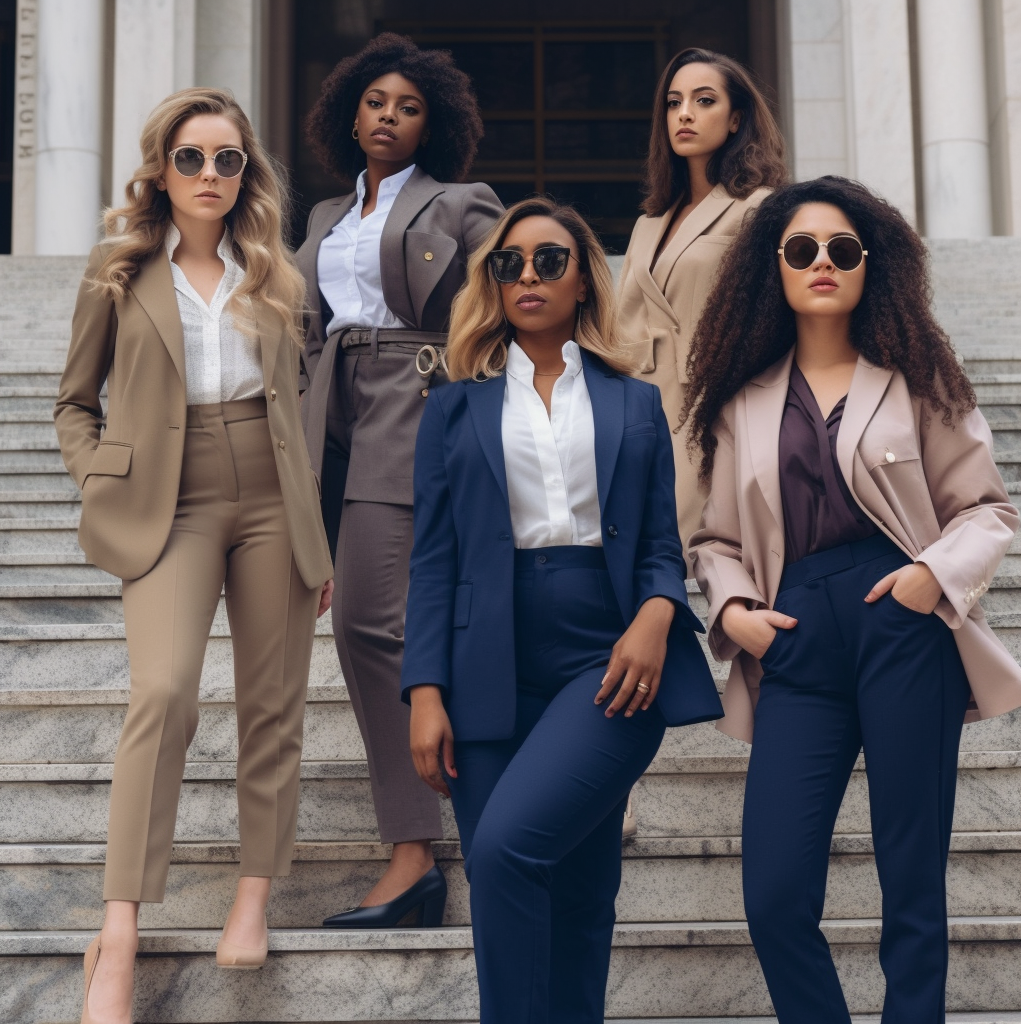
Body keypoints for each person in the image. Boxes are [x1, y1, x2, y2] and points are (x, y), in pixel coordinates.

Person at [684, 176, 1021, 1023]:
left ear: (872, 266)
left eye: (843, 249)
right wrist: (733, 616)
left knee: (912, 880)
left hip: (903, 624)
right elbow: (715, 541)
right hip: (794, 639)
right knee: (774, 892)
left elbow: (987, 509)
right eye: (802, 251)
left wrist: (926, 579)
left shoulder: (916, 379)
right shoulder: (741, 401)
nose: (823, 264)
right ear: (777, 270)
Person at [403, 197, 721, 1024]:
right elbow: (433, 559)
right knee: (564, 884)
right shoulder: (452, 408)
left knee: (514, 855)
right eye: (510, 264)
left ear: (583, 280)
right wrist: (424, 688)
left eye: (550, 261)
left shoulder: (634, 402)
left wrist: (658, 614)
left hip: (606, 654)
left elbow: (659, 539)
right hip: (483, 663)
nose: (529, 277)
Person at [55, 88, 334, 1024]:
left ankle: (253, 891)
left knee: (272, 703)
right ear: (161, 168)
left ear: (246, 172)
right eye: (192, 158)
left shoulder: (278, 274)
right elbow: (73, 400)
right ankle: (120, 929)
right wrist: (102, 475)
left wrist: (313, 531)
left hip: (269, 488)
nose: (211, 176)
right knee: (164, 691)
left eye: (228, 160)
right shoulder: (118, 268)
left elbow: (298, 411)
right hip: (165, 499)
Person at [297, 32, 503, 927]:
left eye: (409, 106)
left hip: (411, 401)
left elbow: (514, 293)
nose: (389, 116)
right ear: (351, 113)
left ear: (434, 125)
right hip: (326, 411)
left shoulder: (461, 202)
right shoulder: (319, 220)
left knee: (368, 619)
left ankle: (416, 853)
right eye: (377, 102)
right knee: (374, 618)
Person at [618, 47, 787, 569]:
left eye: (704, 100)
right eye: (674, 102)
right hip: (638, 412)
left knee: (699, 558)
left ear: (736, 119)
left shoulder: (759, 208)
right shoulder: (650, 221)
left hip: (711, 409)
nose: (684, 113)